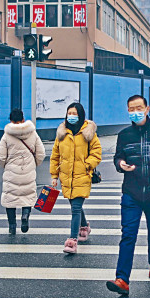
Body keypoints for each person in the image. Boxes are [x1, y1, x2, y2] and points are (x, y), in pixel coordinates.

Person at [106, 94, 150, 295]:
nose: (135, 112)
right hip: (131, 193)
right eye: (131, 109)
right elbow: (118, 156)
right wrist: (121, 164)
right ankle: (122, 280)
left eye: (139, 108)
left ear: (147, 109)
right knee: (128, 234)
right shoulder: (124, 135)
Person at [50, 103, 102, 254]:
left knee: (76, 207)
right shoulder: (61, 133)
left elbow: (97, 152)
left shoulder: (88, 133)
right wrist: (54, 176)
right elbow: (55, 156)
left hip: (82, 175)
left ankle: (72, 240)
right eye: (69, 113)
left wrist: (87, 165)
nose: (71, 116)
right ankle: (84, 227)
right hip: (66, 177)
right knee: (75, 205)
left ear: (80, 115)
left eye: (74, 113)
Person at [0, 109, 45, 235]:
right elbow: (41, 153)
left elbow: (0, 157)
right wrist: (34, 164)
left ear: (11, 120)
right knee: (27, 196)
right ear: (23, 119)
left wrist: (6, 166)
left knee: (10, 198)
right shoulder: (33, 133)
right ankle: (25, 216)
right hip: (28, 171)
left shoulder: (7, 135)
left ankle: (12, 225)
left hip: (11, 172)